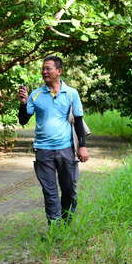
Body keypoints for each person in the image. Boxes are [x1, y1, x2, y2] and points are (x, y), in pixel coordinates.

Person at [17, 56, 90, 224]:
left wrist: (83, 147)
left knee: (69, 190)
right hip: (43, 150)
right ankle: (55, 228)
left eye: (48, 68)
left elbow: (78, 121)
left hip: (66, 149)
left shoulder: (71, 93)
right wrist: (22, 103)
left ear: (59, 71)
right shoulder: (35, 95)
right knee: (50, 192)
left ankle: (66, 223)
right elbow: (23, 120)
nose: (44, 72)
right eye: (43, 69)